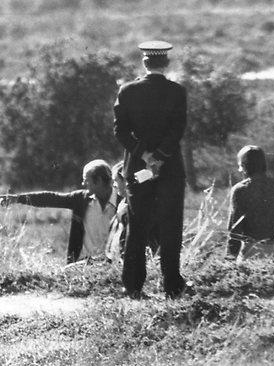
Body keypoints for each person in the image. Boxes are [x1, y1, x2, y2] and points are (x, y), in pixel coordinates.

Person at [113, 41, 187, 299]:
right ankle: (172, 285)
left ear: (145, 62)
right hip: (170, 168)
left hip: (137, 168)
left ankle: (132, 286)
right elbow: (177, 131)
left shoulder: (127, 90)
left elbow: (120, 131)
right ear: (165, 63)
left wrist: (144, 155)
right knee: (171, 225)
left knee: (137, 224)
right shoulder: (178, 92)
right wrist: (159, 157)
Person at [0, 160, 119, 264]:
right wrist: (18, 198)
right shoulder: (81, 199)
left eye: (86, 180)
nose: (83, 184)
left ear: (98, 181)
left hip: (113, 265)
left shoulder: (123, 203)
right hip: (83, 265)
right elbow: (51, 198)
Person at [227, 145, 274, 259]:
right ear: (264, 165)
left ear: (243, 167)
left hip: (251, 254)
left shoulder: (240, 190)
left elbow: (235, 231)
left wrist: (229, 259)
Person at [105, 161, 129, 263]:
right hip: (115, 260)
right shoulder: (122, 204)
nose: (114, 185)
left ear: (125, 181)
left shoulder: (134, 207)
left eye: (116, 181)